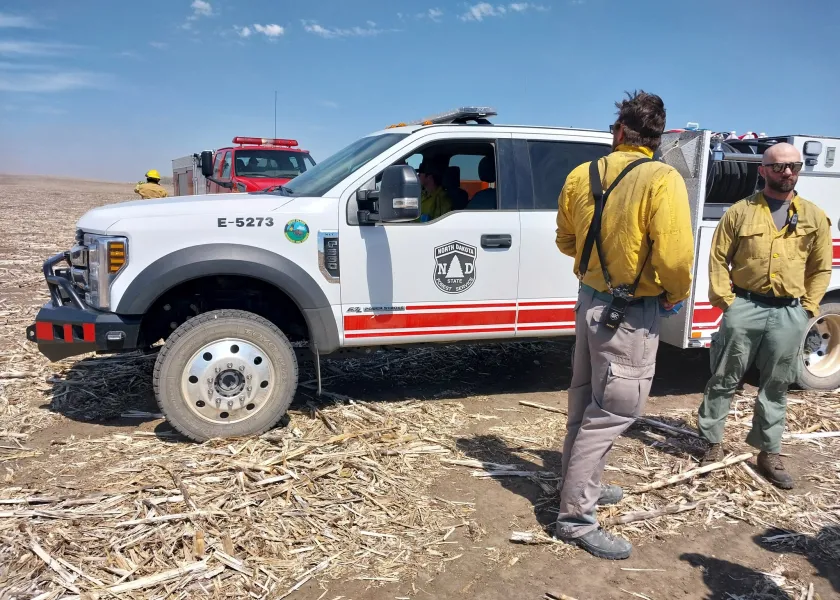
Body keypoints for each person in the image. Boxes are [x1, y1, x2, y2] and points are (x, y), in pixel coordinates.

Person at [554, 90, 694, 560]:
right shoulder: (663, 178)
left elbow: (565, 240)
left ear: (618, 132)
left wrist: (597, 265)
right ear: (657, 138)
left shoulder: (582, 174)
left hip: (590, 301)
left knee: (585, 401)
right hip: (631, 313)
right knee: (613, 411)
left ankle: (579, 486)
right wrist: (674, 296)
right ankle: (576, 518)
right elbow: (674, 257)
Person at [697, 142, 832, 489]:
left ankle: (768, 451)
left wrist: (808, 309)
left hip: (789, 312)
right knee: (724, 377)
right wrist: (728, 302)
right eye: (778, 167)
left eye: (793, 166)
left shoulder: (814, 216)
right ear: (763, 171)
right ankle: (712, 443)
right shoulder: (739, 212)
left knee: (776, 385)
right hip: (745, 306)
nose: (787, 172)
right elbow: (717, 260)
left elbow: (821, 268)